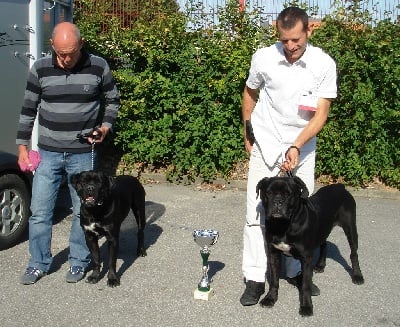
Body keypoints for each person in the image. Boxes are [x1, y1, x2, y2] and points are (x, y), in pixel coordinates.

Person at [239, 7, 337, 306]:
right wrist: (248, 132)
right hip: (266, 144)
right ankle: (256, 278)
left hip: (302, 147)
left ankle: (295, 271)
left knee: (301, 214)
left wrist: (297, 145)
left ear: (309, 30)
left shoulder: (323, 64)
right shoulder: (264, 57)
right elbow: (249, 93)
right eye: (285, 40)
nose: (291, 46)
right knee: (257, 216)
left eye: (296, 39)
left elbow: (321, 114)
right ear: (277, 34)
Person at [16, 22, 120, 284]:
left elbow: (112, 100)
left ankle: (79, 261)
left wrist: (105, 127)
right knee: (40, 211)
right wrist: (22, 147)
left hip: (83, 153)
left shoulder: (98, 66)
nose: (66, 59)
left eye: (71, 52)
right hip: (48, 152)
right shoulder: (39, 68)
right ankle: (38, 263)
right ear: (52, 46)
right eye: (61, 53)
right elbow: (28, 109)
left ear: (81, 44)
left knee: (81, 210)